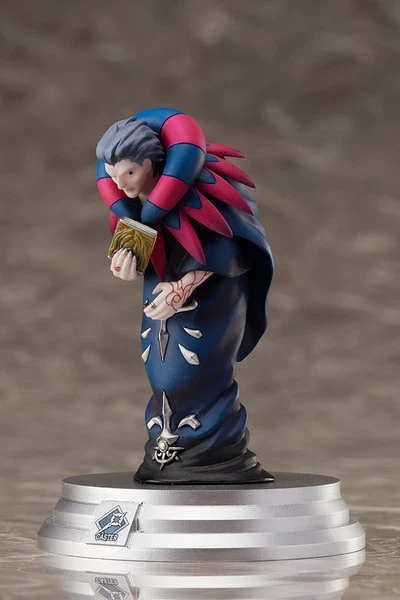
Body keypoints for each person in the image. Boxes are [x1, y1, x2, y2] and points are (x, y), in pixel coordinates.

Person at [96, 107, 274, 484]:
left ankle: (214, 451)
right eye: (113, 176)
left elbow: (232, 248)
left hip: (209, 302)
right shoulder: (135, 204)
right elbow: (141, 252)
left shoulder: (202, 189)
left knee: (195, 374)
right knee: (162, 373)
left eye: (129, 173)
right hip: (159, 302)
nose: (121, 185)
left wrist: (184, 286)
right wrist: (127, 260)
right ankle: (169, 448)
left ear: (150, 162)